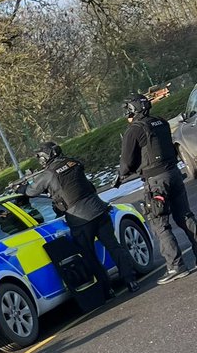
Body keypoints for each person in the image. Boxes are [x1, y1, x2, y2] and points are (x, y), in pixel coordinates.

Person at [18, 141, 139, 296]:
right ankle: (130, 280)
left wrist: (20, 188)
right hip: (99, 210)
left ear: (45, 156)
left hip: (80, 220)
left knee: (89, 256)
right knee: (114, 247)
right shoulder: (73, 162)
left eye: (40, 156)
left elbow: (31, 191)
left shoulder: (49, 174)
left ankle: (106, 289)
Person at [117, 92, 197, 284]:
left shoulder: (134, 130)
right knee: (185, 216)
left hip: (156, 182)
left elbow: (126, 162)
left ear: (132, 110)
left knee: (160, 224)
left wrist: (123, 175)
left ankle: (176, 266)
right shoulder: (160, 122)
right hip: (174, 174)